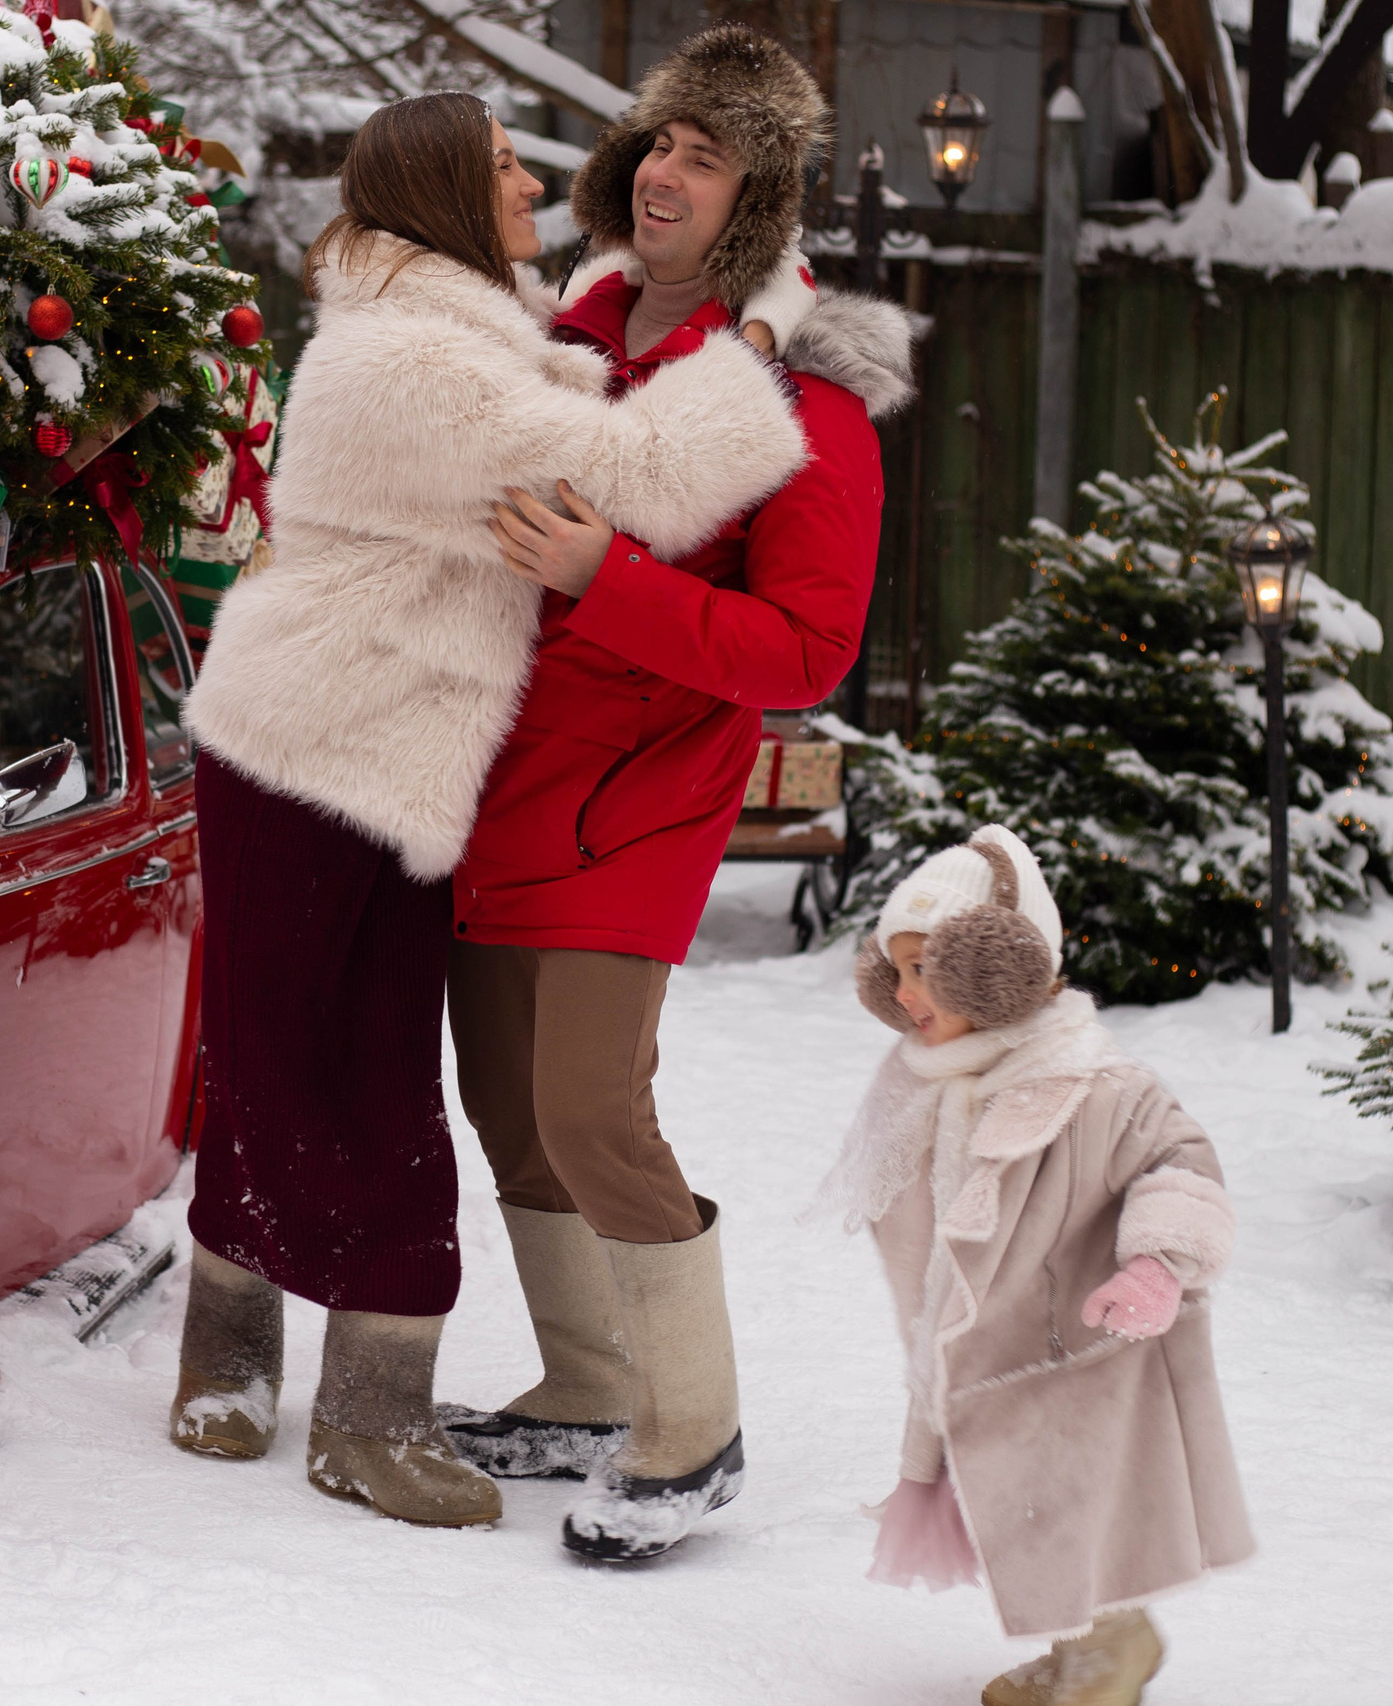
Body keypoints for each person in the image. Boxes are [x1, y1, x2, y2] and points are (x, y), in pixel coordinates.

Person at [170, 89, 818, 1528]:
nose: (534, 181)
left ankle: (246, 1357)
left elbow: (568, 394)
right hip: (312, 744)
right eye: (500, 169)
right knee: (323, 1061)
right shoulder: (412, 364)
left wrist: (623, 314)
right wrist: (761, 338)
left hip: (383, 753)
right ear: (448, 199)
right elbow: (644, 469)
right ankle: (353, 1406)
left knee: (336, 1055)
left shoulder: (452, 328)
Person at [436, 24, 918, 1560]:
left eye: (708, 157)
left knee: (593, 1112)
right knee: (507, 1106)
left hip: (636, 800)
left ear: (758, 201)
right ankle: (586, 1378)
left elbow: (803, 649)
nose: (666, 173)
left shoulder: (799, 407)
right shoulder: (561, 344)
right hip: (498, 782)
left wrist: (607, 575)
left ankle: (693, 1429)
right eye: (660, 142)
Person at [834, 825, 1254, 1705]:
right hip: (983, 1342)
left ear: (999, 966)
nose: (909, 994)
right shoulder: (929, 1077)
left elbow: (1183, 1161)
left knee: (1071, 1505)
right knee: (1018, 1510)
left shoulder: (1093, 1081)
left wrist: (1157, 1265)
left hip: (1080, 1341)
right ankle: (1075, 1650)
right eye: (898, 970)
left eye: (930, 970)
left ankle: (1111, 1649)